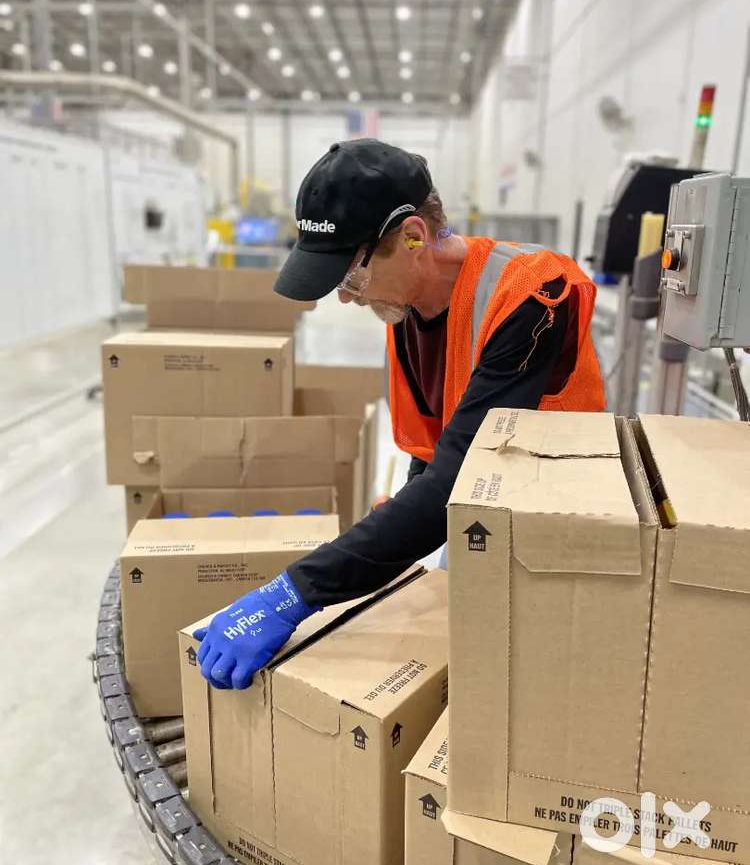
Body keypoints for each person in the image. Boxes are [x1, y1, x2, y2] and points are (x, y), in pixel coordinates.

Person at [194, 139, 606, 690]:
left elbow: (458, 481)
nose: (347, 298)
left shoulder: (532, 296)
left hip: (559, 545)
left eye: (352, 277)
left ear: (413, 236)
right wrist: (401, 524)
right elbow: (433, 447)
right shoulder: (406, 309)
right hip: (484, 524)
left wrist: (292, 592)